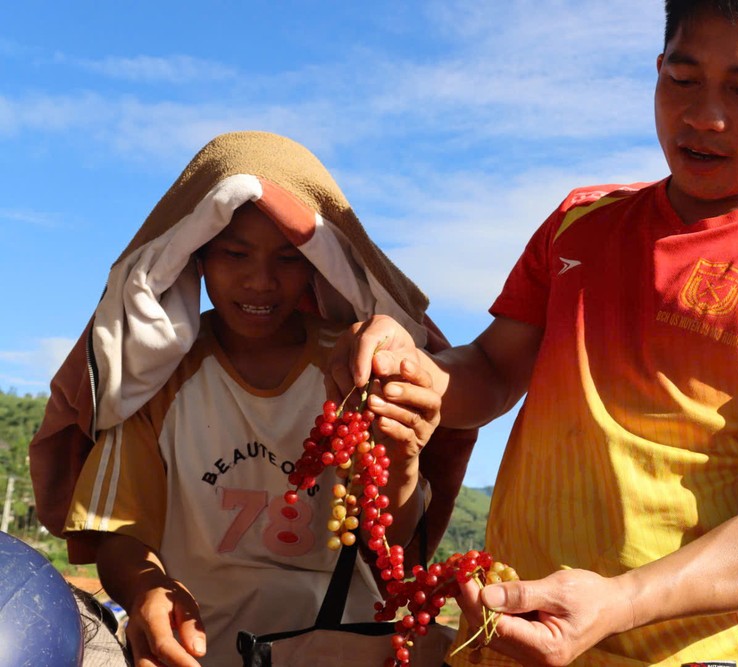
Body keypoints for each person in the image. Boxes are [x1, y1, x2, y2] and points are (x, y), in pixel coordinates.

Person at [337, 1, 738, 665]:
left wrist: (621, 599)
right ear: (658, 70)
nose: (703, 117)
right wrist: (420, 373)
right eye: (682, 80)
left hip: (693, 654)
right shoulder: (580, 222)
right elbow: (490, 371)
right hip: (508, 637)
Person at [28, 131, 475, 667]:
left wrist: (401, 463)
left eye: (287, 259)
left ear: (317, 264)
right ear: (195, 257)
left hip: (347, 645)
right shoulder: (158, 379)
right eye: (235, 253)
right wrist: (148, 589)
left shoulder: (355, 369)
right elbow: (122, 536)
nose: (260, 282)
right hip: (198, 649)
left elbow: (389, 551)